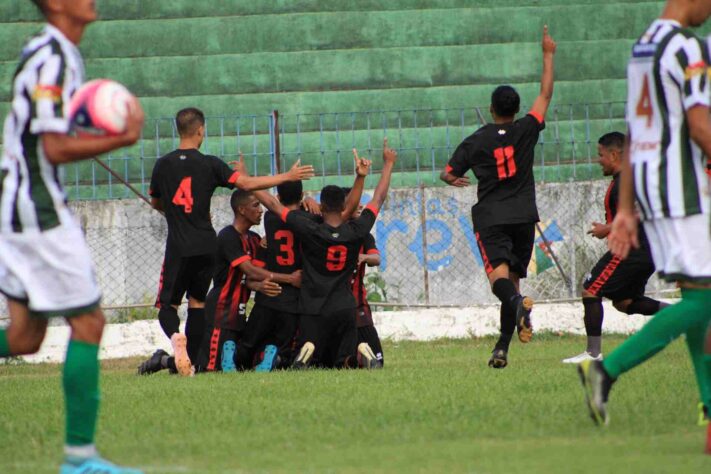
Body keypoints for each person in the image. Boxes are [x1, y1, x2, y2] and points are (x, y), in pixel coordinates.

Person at [0, 1, 145, 473]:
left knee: (24, 338)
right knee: (89, 323)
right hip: (37, 209)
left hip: (21, 204)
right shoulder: (54, 57)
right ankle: (80, 461)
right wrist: (121, 138)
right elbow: (54, 146)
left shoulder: (54, 52)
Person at [577, 2, 711, 453]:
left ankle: (709, 409)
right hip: (684, 191)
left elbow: (637, 135)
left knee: (699, 298)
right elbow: (698, 125)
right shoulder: (687, 48)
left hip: (655, 191)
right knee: (705, 301)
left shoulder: (643, 47)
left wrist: (628, 207)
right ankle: (606, 370)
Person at [148, 109, 313, 376]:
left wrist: (176, 213)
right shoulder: (210, 164)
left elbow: (157, 202)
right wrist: (286, 177)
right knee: (198, 302)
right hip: (206, 244)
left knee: (168, 306)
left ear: (179, 130)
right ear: (200, 130)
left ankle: (176, 338)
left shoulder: (162, 165)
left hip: (179, 246)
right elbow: (245, 183)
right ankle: (192, 363)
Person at [440, 25, 556, 369]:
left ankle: (518, 305)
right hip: (524, 215)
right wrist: (548, 54)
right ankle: (502, 347)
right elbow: (546, 95)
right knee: (513, 283)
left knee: (500, 284)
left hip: (491, 217)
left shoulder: (476, 140)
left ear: (492, 109)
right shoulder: (526, 129)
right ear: (516, 109)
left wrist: (454, 179)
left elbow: (447, 172)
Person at [254, 139, 395, 369]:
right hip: (345, 306)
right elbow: (378, 198)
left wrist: (244, 180)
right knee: (342, 362)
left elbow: (273, 203)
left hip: (313, 307)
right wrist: (385, 165)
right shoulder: (356, 231)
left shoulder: (311, 229)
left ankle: (306, 352)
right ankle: (358, 354)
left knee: (318, 360)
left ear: (320, 205)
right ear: (343, 207)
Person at [562, 132, 667, 364]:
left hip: (632, 248)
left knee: (591, 288)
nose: (598, 160)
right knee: (624, 302)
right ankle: (680, 315)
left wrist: (607, 229)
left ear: (614, 154)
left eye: (600, 154)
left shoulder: (626, 181)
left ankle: (593, 354)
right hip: (646, 249)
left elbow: (640, 211)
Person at [348, 202, 384, 367]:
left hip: (358, 304)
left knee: (379, 361)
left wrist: (363, 257)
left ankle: (363, 355)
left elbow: (376, 259)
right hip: (334, 305)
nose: (361, 206)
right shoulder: (328, 232)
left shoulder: (364, 236)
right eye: (355, 203)